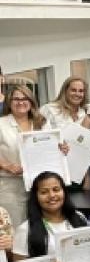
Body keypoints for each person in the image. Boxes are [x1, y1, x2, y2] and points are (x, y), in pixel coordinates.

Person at [0, 85, 48, 225]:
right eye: (16, 99)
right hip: (11, 186)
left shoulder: (42, 123)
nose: (21, 102)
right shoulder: (1, 124)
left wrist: (61, 148)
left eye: (25, 98)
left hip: (40, 185)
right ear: (9, 102)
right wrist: (6, 165)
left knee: (40, 227)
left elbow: (51, 147)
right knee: (15, 228)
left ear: (31, 101)